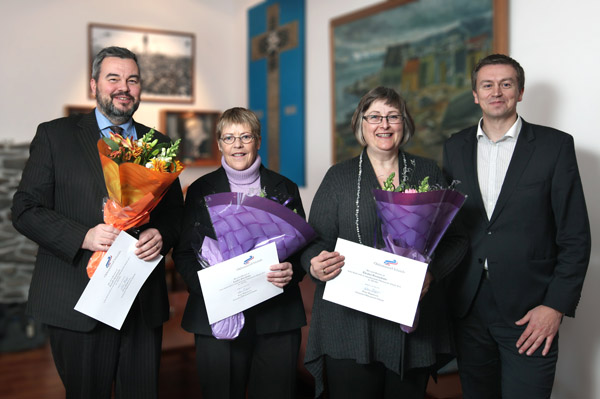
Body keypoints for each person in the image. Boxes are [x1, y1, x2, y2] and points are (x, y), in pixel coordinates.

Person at [11, 46, 184, 399]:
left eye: (132, 80)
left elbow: (175, 215)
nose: (124, 87)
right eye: (113, 78)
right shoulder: (54, 136)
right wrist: (84, 236)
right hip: (77, 301)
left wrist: (161, 234)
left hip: (140, 302)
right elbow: (24, 209)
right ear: (94, 85)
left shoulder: (159, 144)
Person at [301, 86, 468, 399]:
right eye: (374, 116)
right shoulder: (339, 176)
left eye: (393, 117)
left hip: (409, 328)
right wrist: (314, 263)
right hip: (348, 325)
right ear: (361, 124)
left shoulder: (427, 172)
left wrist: (432, 274)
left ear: (404, 124)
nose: (384, 125)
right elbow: (315, 240)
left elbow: (455, 240)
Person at [443, 54, 591, 398]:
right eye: (487, 85)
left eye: (506, 84)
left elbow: (575, 237)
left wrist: (555, 306)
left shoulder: (555, 147)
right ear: (475, 95)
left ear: (519, 92)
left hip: (531, 311)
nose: (497, 91)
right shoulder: (454, 147)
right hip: (468, 307)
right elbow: (450, 226)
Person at [173, 107, 307, 399]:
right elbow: (183, 253)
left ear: (257, 141)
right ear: (219, 143)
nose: (237, 144)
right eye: (229, 137)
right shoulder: (198, 190)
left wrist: (292, 272)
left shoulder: (285, 188)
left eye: (245, 136)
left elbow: (302, 248)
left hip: (277, 319)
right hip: (217, 314)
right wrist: (209, 287)